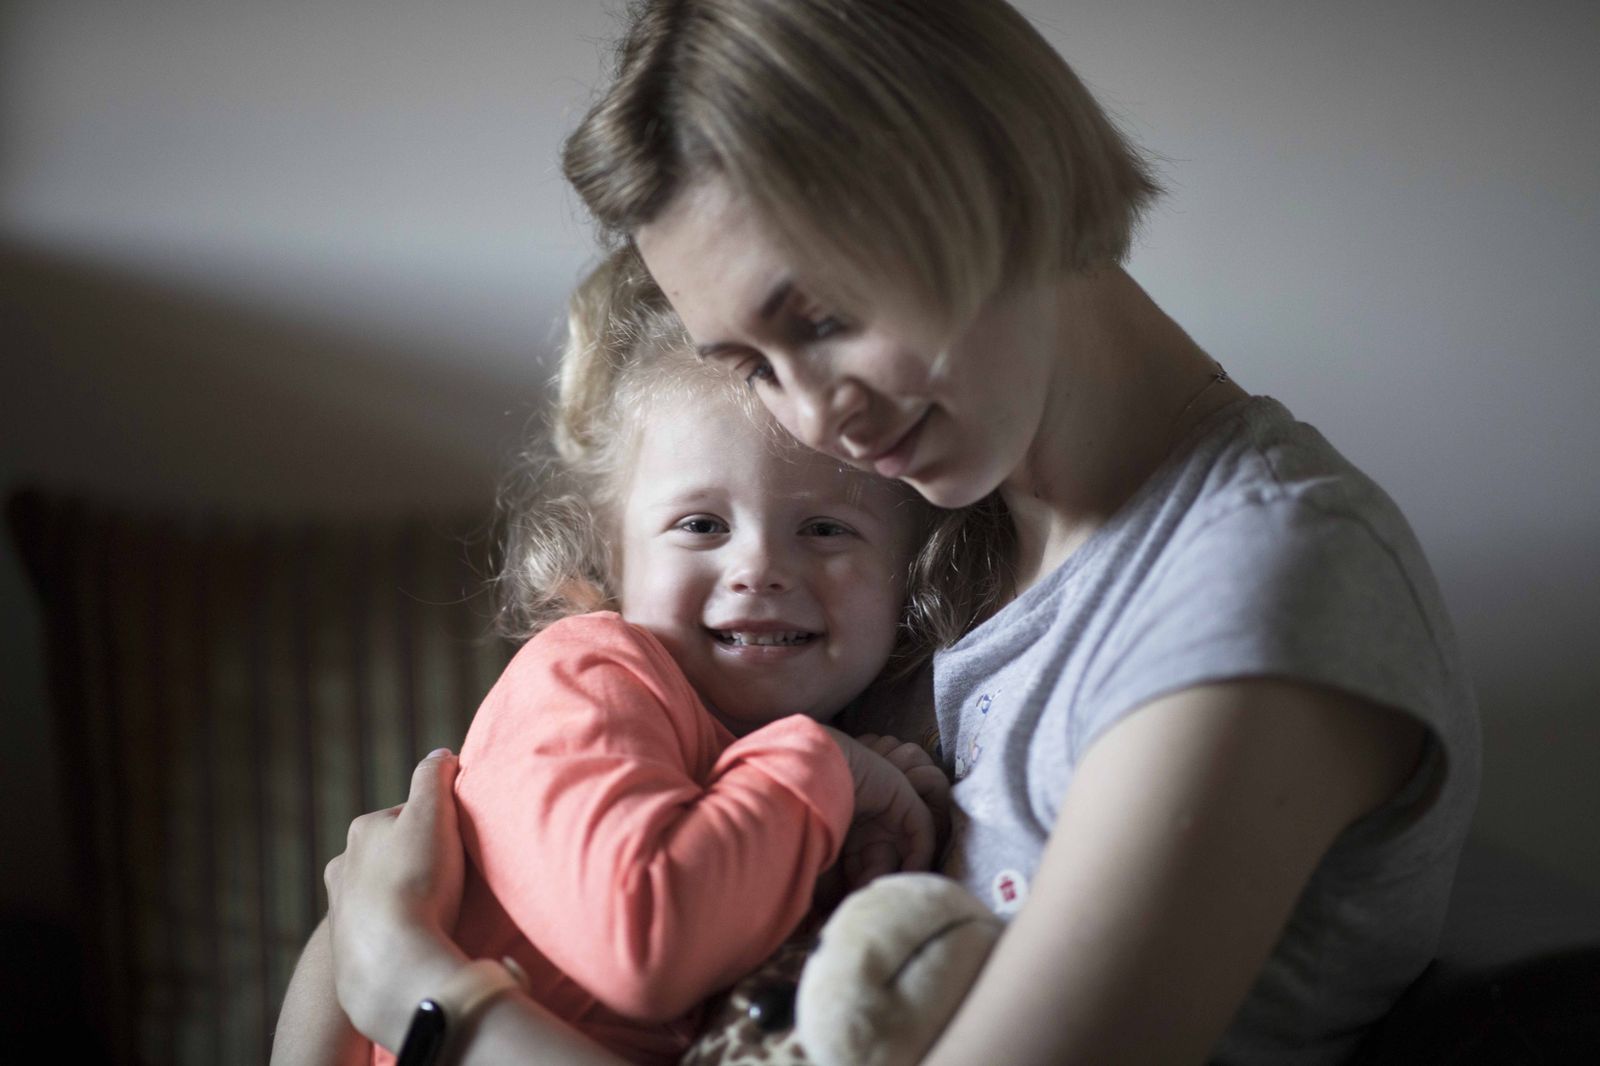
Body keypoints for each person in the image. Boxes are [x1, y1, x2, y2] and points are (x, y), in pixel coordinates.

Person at [315, 1, 1481, 1063]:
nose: (816, 417)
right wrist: (359, 957)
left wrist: (423, 996)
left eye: (821, 316)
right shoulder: (912, 544)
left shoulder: (1263, 576)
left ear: (987, 174)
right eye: (751, 364)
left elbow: (401, 954)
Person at [272, 251, 1010, 1065]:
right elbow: (647, 942)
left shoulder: (847, 735)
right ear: (611, 557)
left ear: (906, 575)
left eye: (827, 529)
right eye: (700, 525)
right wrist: (820, 768)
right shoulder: (587, 673)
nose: (758, 568)